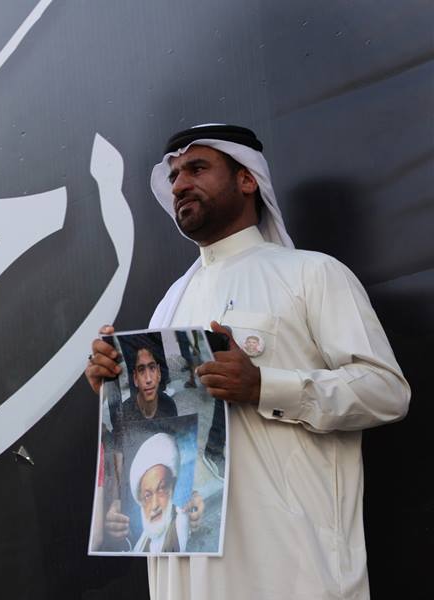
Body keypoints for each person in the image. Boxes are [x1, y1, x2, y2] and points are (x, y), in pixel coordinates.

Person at [85, 124, 410, 599]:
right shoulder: (169, 304)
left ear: (247, 179)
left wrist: (263, 386)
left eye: (197, 169)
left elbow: (386, 391)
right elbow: (164, 437)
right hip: (188, 578)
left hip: (292, 568)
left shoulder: (311, 274)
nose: (180, 185)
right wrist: (118, 393)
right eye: (174, 176)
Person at [129, 433, 188, 553]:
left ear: (172, 486)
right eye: (147, 496)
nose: (155, 505)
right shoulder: (144, 539)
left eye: (161, 489)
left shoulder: (182, 522)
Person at [121, 336, 177, 421]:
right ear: (135, 378)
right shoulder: (124, 413)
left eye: (152, 368)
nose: (148, 379)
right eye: (141, 370)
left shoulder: (169, 405)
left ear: (159, 373)